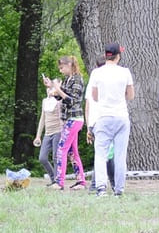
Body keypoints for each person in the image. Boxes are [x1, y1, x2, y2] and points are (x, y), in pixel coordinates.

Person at [91, 42, 134, 196]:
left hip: (104, 116)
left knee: (101, 153)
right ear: (118, 56)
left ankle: (101, 188)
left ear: (106, 55)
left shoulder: (97, 73)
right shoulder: (125, 72)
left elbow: (94, 97)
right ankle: (119, 189)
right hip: (121, 116)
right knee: (120, 155)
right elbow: (130, 95)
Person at [52, 55, 86, 190]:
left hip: (75, 119)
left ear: (69, 65)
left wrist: (58, 88)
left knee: (61, 149)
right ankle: (81, 181)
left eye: (62, 68)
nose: (61, 71)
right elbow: (60, 96)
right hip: (68, 119)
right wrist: (53, 88)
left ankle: (59, 181)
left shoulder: (77, 80)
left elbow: (71, 100)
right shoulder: (67, 80)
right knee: (72, 152)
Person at [85, 55, 115, 193]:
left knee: (105, 153)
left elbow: (87, 106)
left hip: (95, 121)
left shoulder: (93, 81)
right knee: (105, 154)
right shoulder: (105, 83)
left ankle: (105, 182)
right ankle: (98, 183)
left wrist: (88, 126)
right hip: (103, 120)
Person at [33, 78, 63, 185]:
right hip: (48, 133)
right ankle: (53, 178)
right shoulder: (45, 101)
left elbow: (58, 92)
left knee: (56, 157)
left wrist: (53, 87)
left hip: (58, 131)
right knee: (42, 158)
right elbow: (42, 118)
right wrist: (38, 136)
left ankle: (57, 181)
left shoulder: (59, 100)